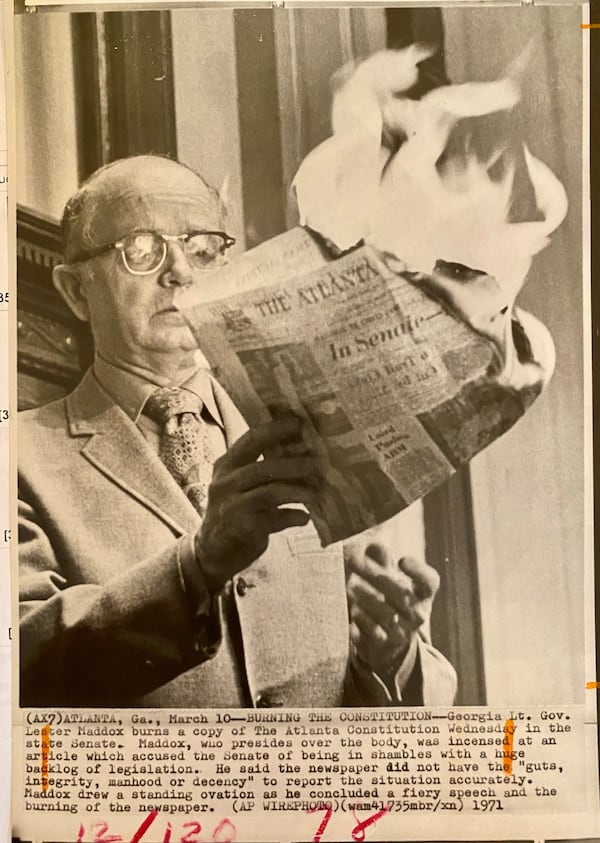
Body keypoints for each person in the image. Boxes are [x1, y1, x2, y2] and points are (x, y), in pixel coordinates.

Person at [18, 154, 457, 708]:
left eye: (202, 247)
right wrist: (198, 566)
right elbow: (21, 668)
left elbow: (403, 682)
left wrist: (392, 657)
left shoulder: (304, 424)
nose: (180, 271)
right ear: (75, 291)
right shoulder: (20, 455)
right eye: (141, 249)